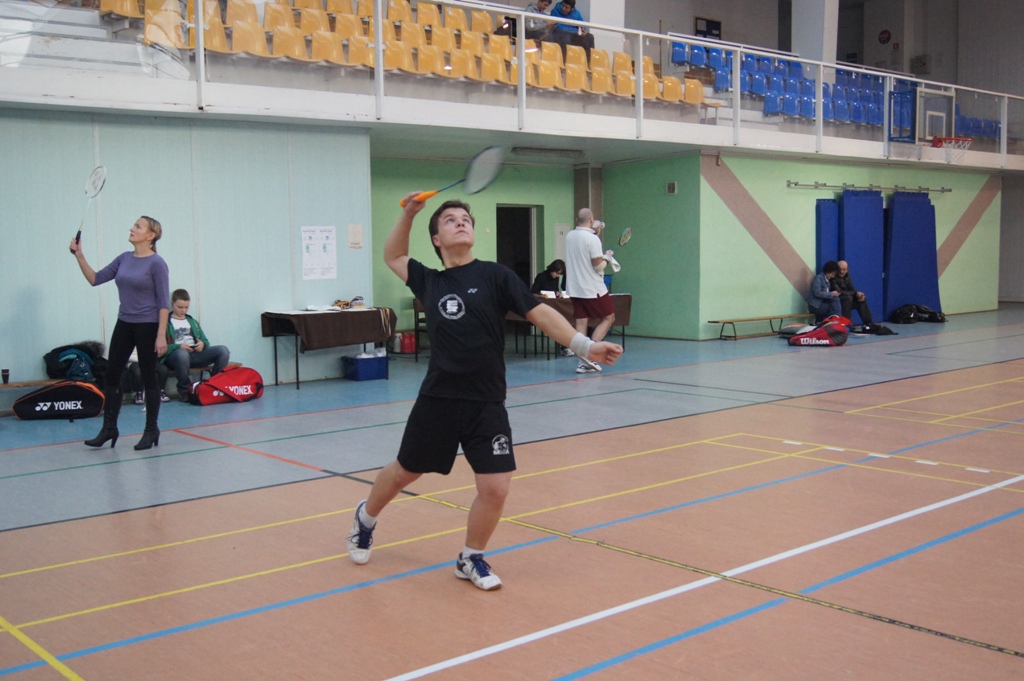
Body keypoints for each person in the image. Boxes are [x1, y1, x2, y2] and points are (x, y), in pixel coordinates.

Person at [347, 195, 623, 591]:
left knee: (495, 488)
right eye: (449, 220)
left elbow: (540, 313)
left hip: (487, 401)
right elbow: (393, 255)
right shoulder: (431, 280)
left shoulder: (496, 276)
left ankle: (470, 557)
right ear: (437, 239)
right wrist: (408, 214)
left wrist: (584, 345)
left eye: (465, 219)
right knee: (405, 472)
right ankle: (366, 517)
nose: (460, 222)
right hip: (439, 399)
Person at [70, 216, 169, 451]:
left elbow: (164, 303)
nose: (132, 229)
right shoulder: (124, 258)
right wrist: (79, 255)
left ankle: (151, 430)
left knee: (148, 377)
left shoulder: (157, 264)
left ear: (150, 235)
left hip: (148, 326)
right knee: (112, 376)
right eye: (134, 225)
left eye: (138, 226)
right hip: (124, 323)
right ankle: (109, 429)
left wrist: (160, 335)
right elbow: (95, 279)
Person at [564, 208, 616, 373]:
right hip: (592, 288)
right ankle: (591, 353)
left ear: (577, 220)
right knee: (609, 317)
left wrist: (596, 235)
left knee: (581, 321)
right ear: (592, 220)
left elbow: (583, 250)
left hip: (575, 288)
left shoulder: (570, 236)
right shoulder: (592, 239)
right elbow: (598, 266)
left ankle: (583, 362)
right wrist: (607, 257)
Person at [162, 288, 230, 401]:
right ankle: (184, 390)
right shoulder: (166, 323)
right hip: (176, 357)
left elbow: (205, 341)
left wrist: (202, 344)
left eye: (186, 307)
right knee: (182, 354)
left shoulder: (192, 321)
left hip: (194, 354)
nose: (183, 310)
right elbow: (161, 348)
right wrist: (178, 346)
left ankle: (214, 385)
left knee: (223, 350)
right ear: (172, 303)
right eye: (180, 307)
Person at [831, 260, 874, 325]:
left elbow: (851, 288)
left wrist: (858, 294)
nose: (842, 271)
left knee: (861, 299)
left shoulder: (847, 276)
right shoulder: (833, 277)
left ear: (847, 269)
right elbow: (839, 292)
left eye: (844, 269)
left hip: (847, 298)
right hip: (837, 300)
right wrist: (854, 293)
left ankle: (868, 322)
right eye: (840, 269)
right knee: (848, 298)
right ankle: (846, 323)